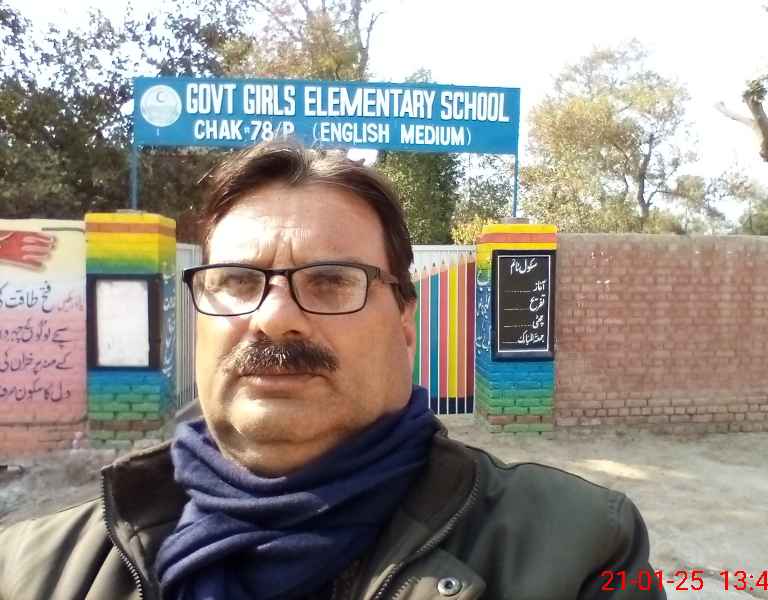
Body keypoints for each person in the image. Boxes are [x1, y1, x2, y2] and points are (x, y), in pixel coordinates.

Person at [0, 140, 665, 600]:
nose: (274, 318)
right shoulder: (34, 570)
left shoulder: (575, 550)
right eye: (237, 281)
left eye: (330, 280)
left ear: (405, 322)